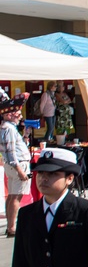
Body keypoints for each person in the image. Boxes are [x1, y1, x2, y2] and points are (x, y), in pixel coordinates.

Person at [1, 94, 31, 237]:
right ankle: (12, 227)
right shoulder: (8, 129)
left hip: (14, 164)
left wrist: (25, 136)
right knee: (15, 197)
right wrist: (19, 170)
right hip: (18, 165)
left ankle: (10, 225)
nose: (20, 117)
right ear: (10, 115)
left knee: (13, 196)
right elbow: (10, 151)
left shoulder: (9, 128)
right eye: (18, 114)